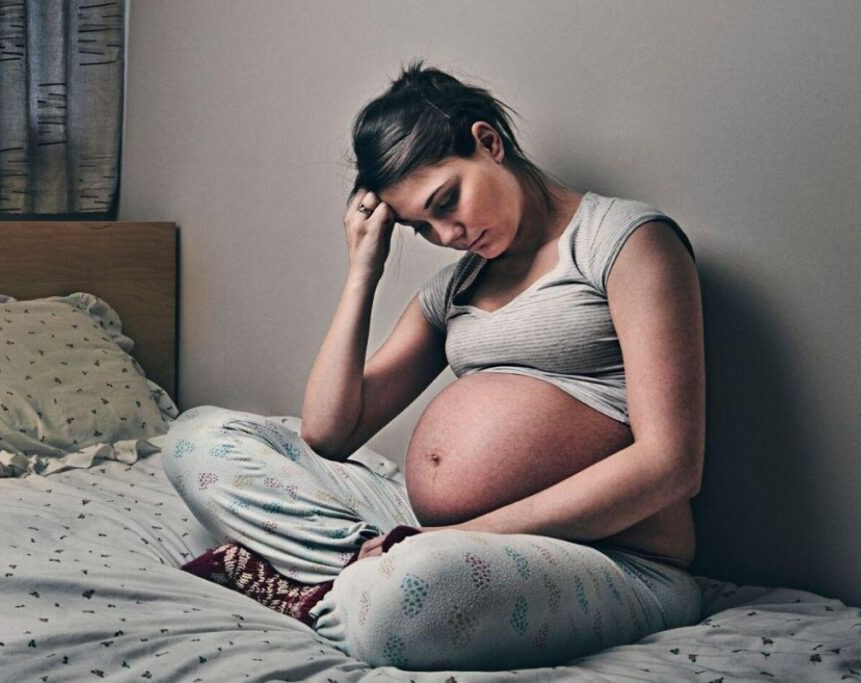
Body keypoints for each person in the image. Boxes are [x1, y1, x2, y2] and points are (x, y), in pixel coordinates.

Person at [160, 60, 705, 671]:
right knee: (195, 438)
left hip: (611, 559)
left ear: (489, 143)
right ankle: (357, 581)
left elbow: (671, 466)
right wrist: (364, 269)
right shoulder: (456, 288)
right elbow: (329, 433)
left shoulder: (626, 243)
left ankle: (330, 587)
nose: (445, 235)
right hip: (433, 540)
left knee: (399, 605)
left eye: (447, 202)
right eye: (421, 226)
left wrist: (454, 541)